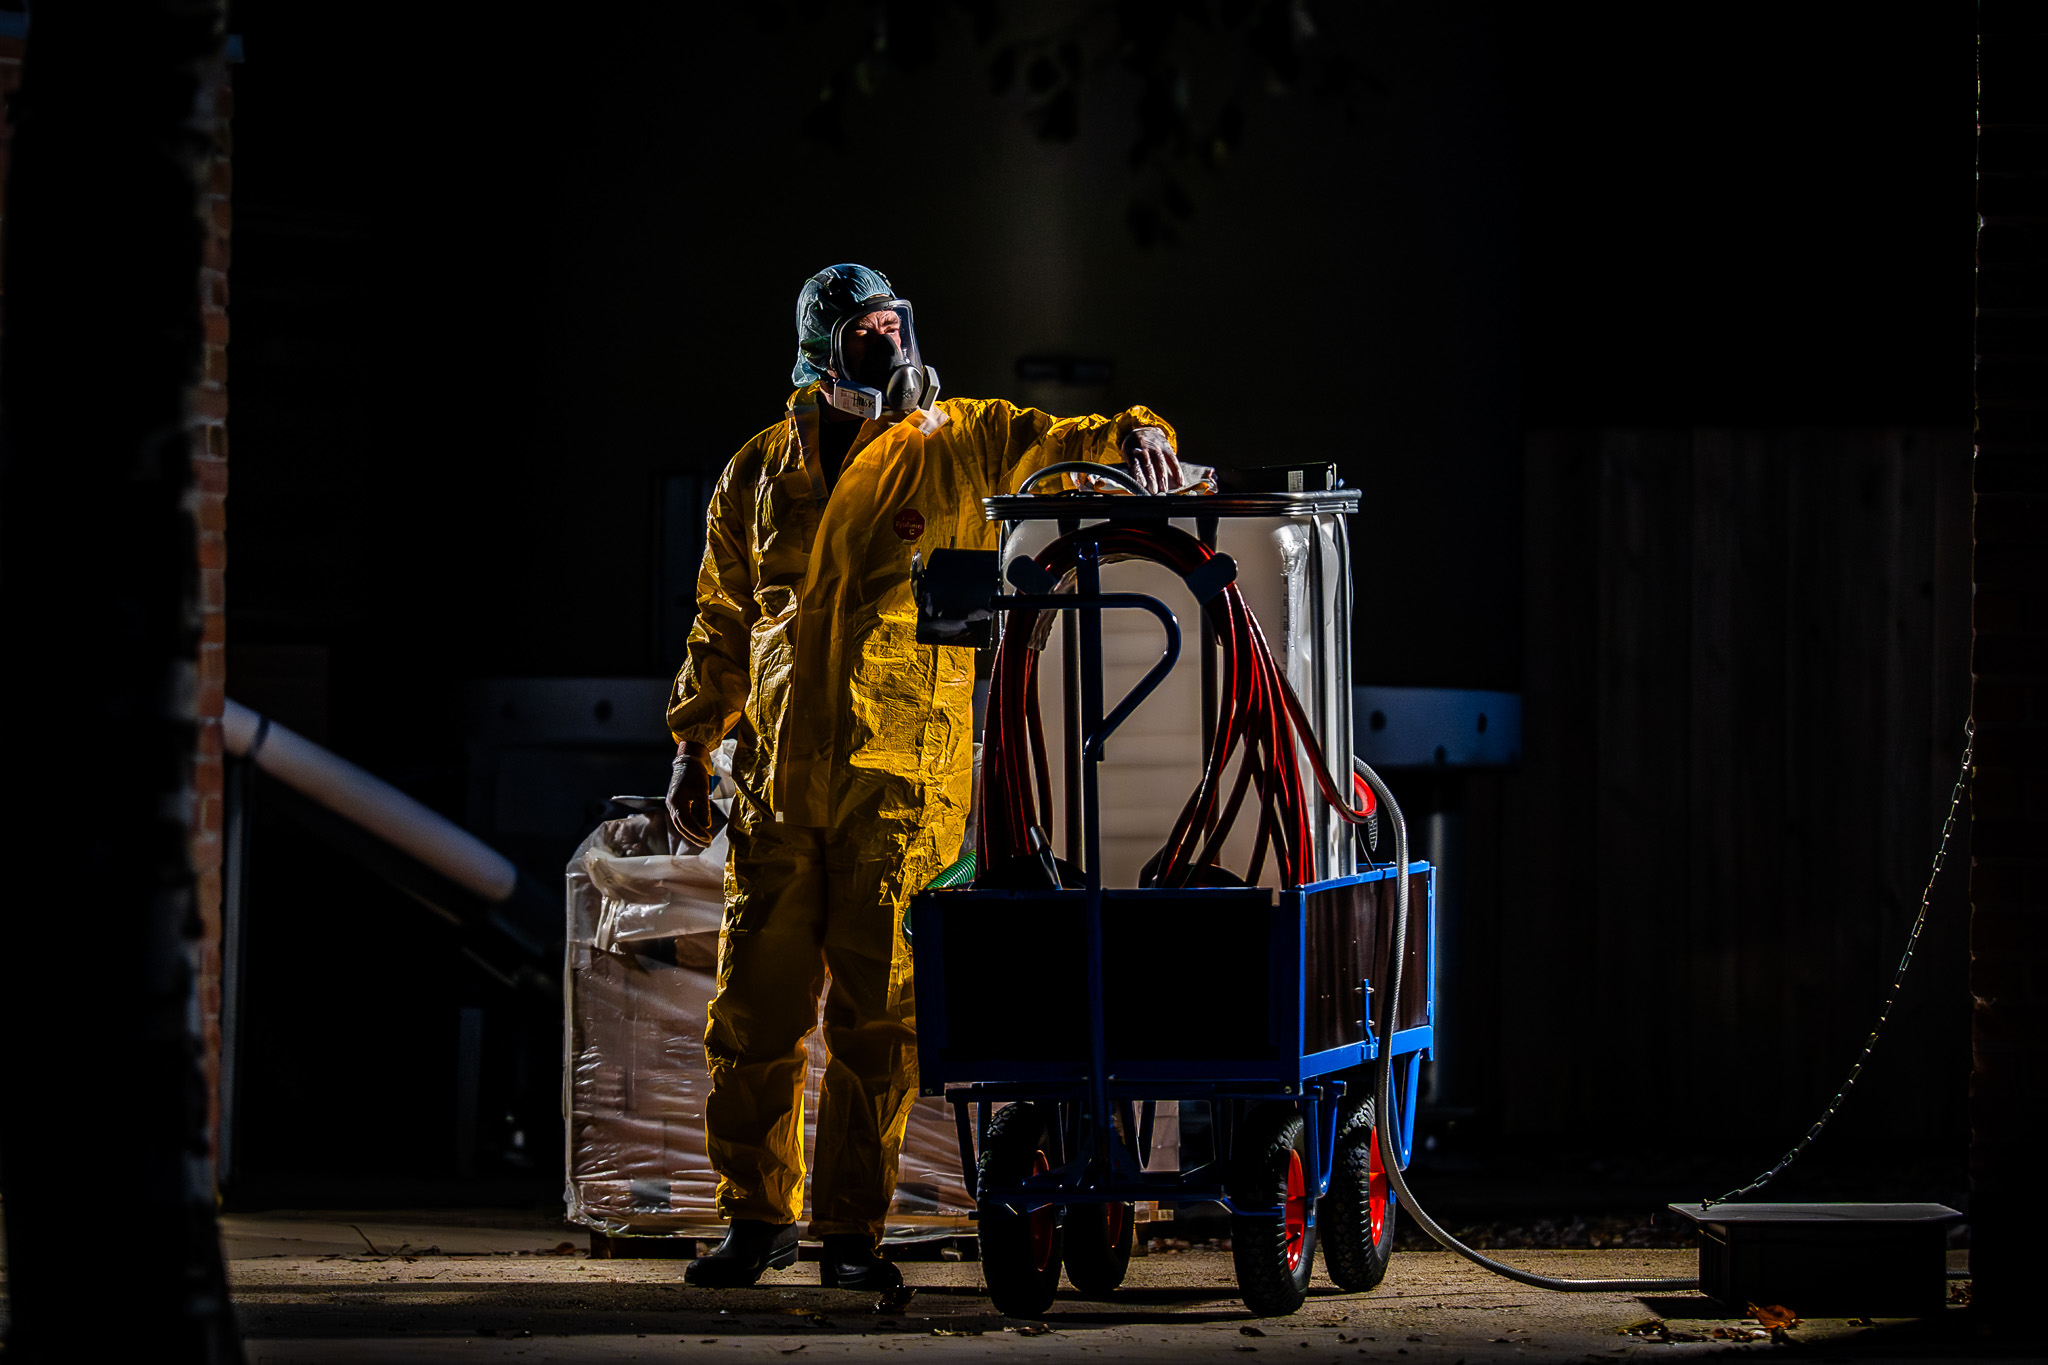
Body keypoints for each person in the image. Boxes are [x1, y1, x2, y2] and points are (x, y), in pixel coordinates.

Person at [665, 264, 1183, 1290]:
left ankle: (850, 1235)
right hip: (776, 784)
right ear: (820, 353)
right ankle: (755, 1218)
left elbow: (1061, 441)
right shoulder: (759, 469)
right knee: (753, 1016)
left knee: (880, 1021)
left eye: (894, 323)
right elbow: (722, 617)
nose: (890, 342)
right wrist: (692, 744)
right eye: (866, 331)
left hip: (900, 786)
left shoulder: (961, 440)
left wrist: (1137, 432)